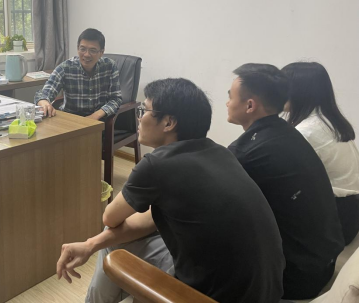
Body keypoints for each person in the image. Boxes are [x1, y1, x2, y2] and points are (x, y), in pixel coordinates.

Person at [57, 78, 285, 303]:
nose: (139, 118)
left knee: (114, 243)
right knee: (120, 238)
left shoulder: (157, 164)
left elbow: (110, 217)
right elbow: (152, 219)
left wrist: (92, 243)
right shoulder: (220, 152)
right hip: (265, 291)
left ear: (168, 122)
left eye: (144, 110)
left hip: (210, 297)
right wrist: (90, 244)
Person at [227, 64, 345, 300]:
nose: (227, 103)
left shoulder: (246, 153)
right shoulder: (289, 133)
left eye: (230, 97)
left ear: (250, 105)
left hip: (294, 279)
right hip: (324, 264)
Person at [282, 62, 359, 245]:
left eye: (282, 88)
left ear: (298, 92)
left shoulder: (307, 131)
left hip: (335, 221)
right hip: (350, 213)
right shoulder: (329, 122)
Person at [35, 29, 122, 120]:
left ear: (101, 52)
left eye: (92, 50)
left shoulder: (110, 66)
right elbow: (45, 91)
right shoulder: (65, 68)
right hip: (71, 120)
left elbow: (116, 99)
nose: (86, 54)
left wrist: (95, 116)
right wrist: (43, 101)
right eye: (82, 49)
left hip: (98, 121)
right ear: (77, 48)